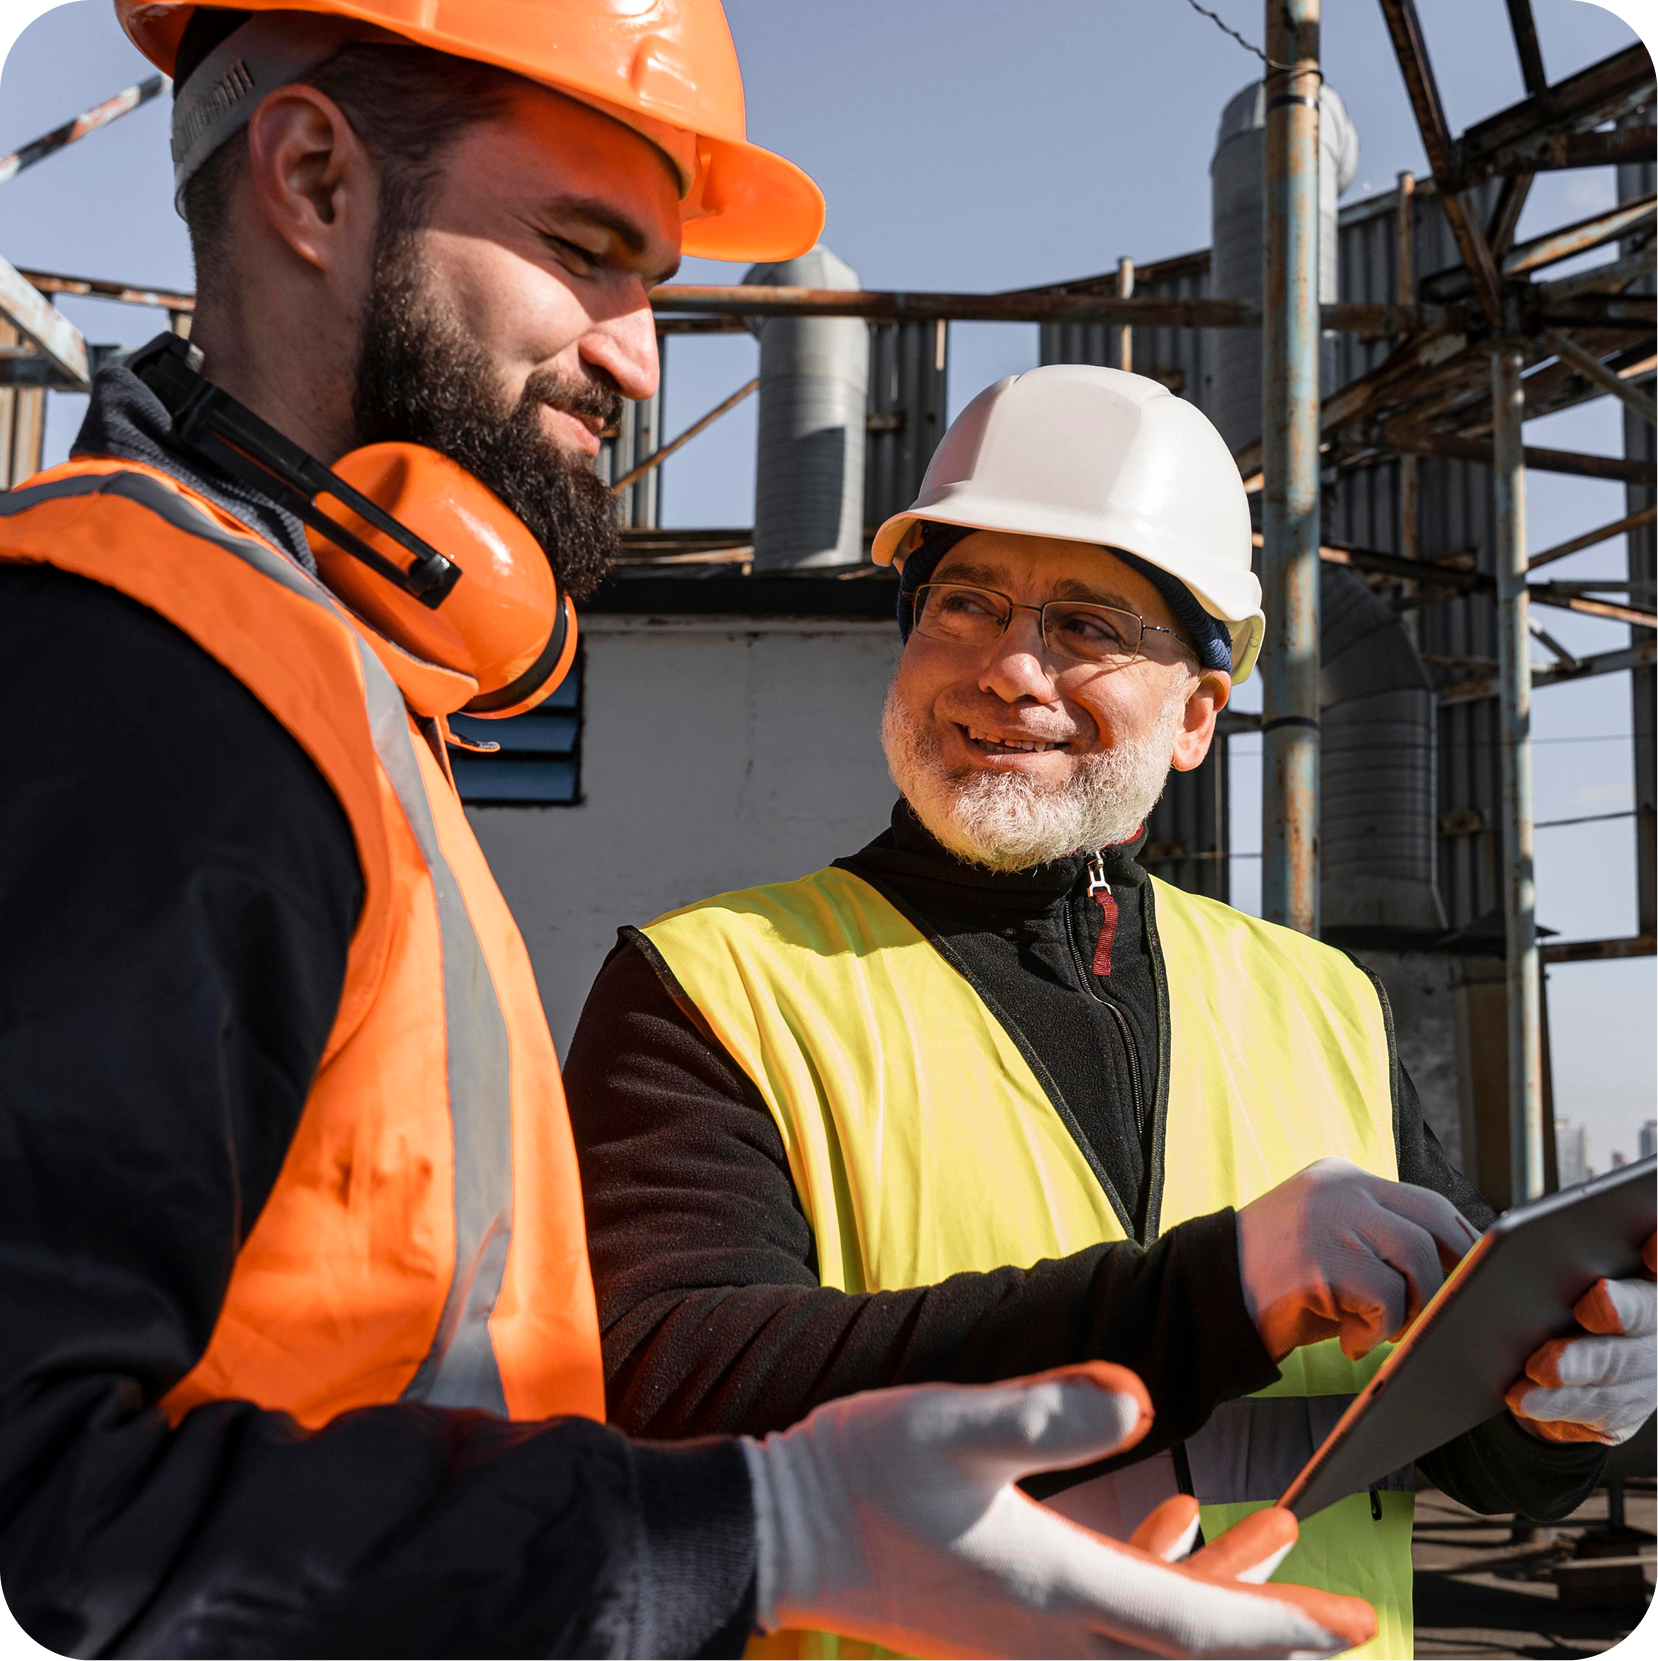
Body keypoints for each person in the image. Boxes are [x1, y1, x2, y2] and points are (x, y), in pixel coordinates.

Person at [0, 7, 1387, 1660]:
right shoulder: (139, 686)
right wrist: (742, 1537)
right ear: (309, 177)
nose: (640, 354)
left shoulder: (325, 697)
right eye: (586, 252)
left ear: (1195, 709)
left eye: (1083, 625)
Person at [563, 364, 1658, 1661]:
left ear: (1196, 715)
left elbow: (1451, 1430)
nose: (1007, 669)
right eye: (961, 606)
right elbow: (670, 1381)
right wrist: (1215, 1289)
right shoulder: (710, 988)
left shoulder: (1318, 1003)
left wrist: (1561, 1408)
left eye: (1084, 626)